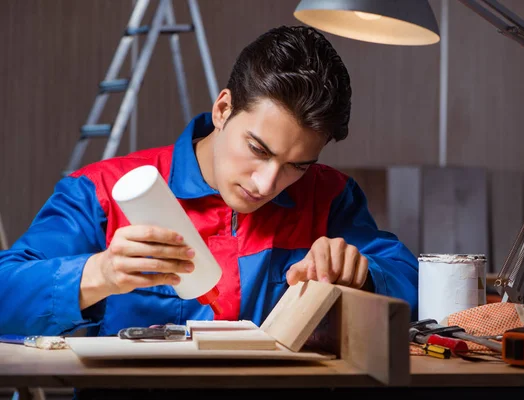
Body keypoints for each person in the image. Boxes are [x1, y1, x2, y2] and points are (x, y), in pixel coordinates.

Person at [0, 25, 418, 339]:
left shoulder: (330, 198)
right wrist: (100, 273)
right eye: (258, 149)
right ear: (222, 109)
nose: (269, 182)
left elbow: (418, 286)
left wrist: (363, 274)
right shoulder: (101, 191)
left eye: (298, 165)